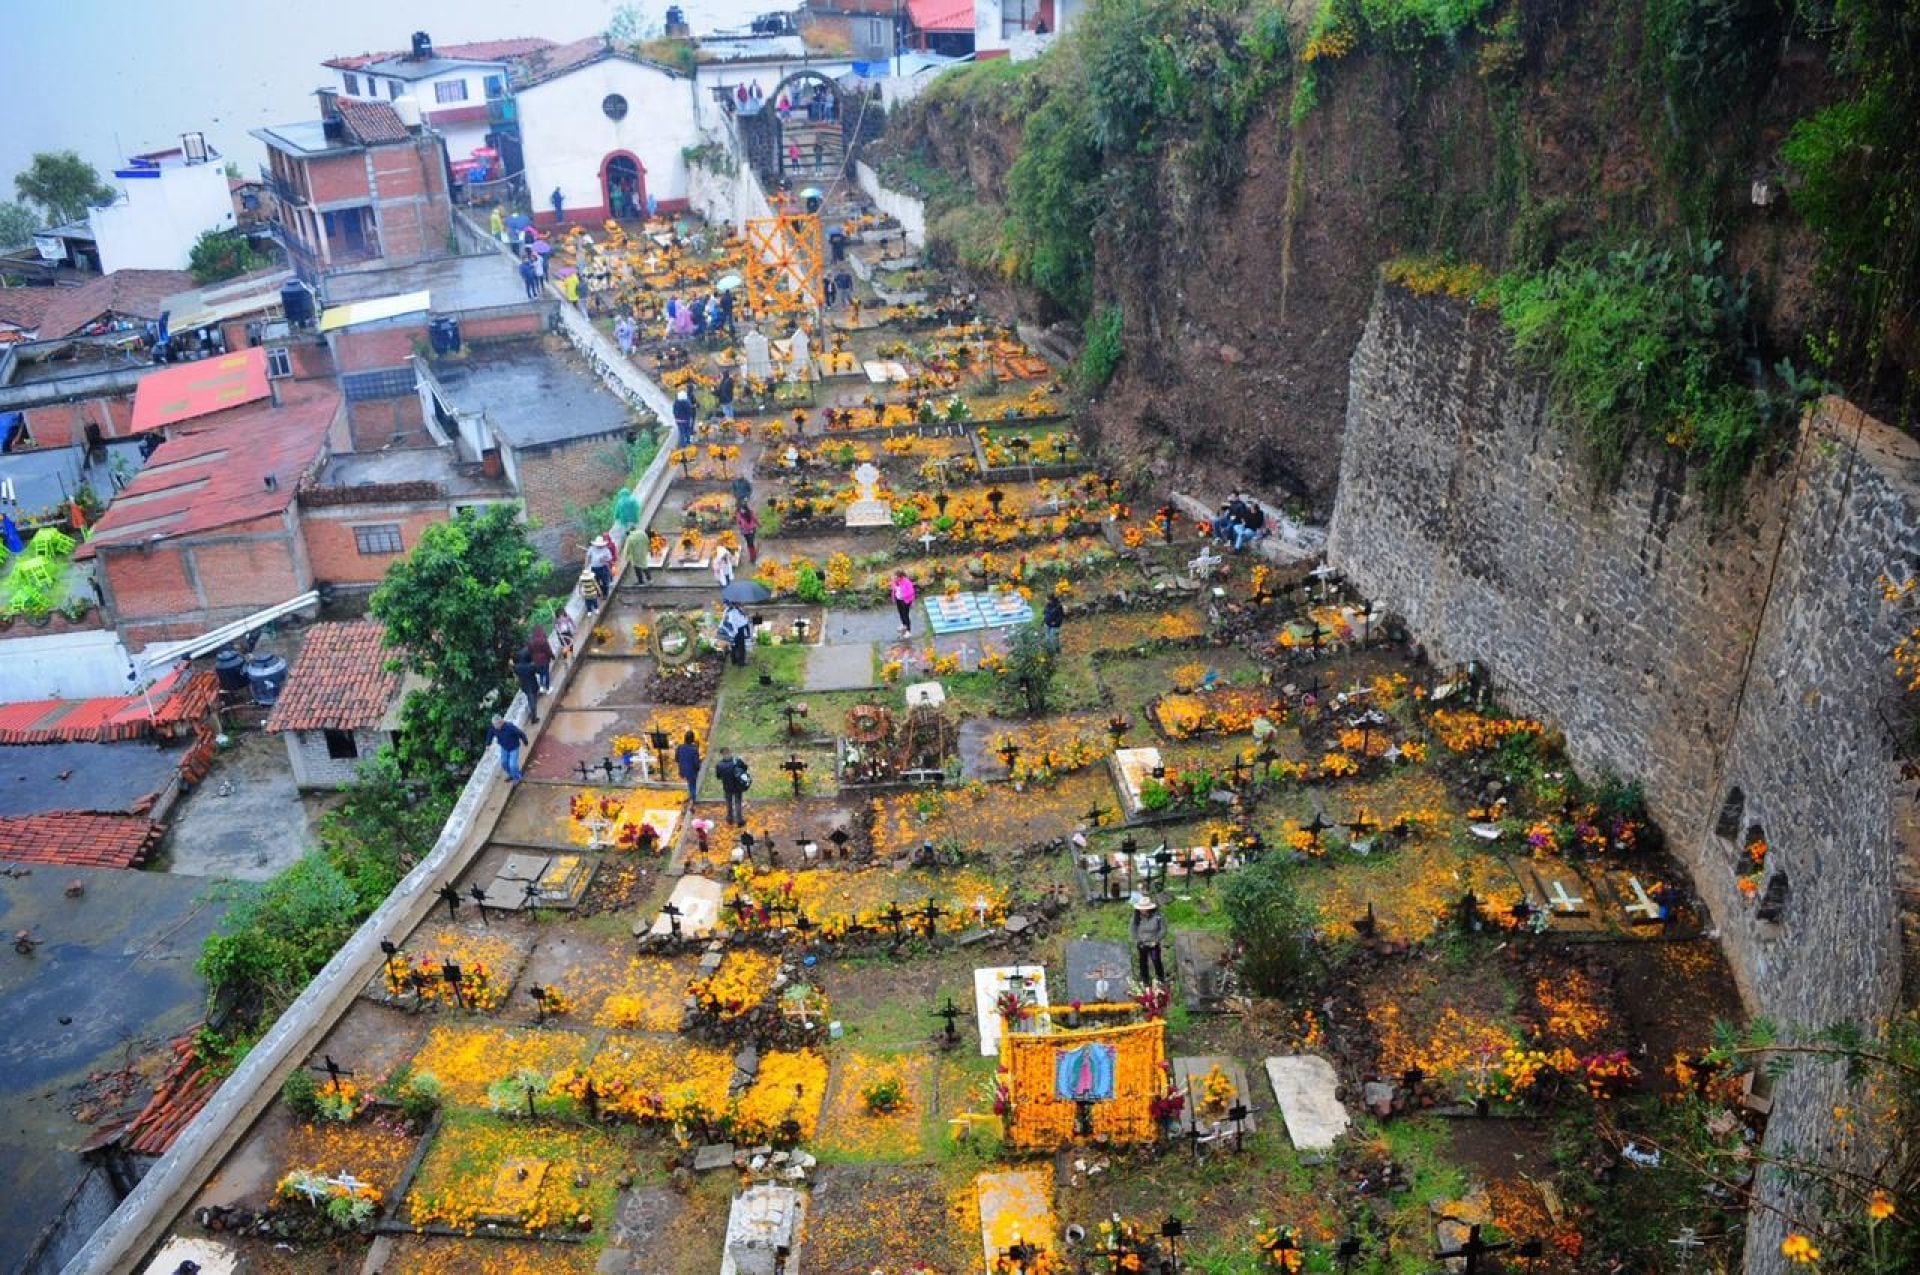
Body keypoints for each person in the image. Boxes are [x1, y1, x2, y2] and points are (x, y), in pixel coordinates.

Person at [1130, 893, 1167, 984]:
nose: (1143, 910)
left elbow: (1163, 929)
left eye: (1145, 908)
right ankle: (1145, 979)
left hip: (1154, 944)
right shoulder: (1136, 917)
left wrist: (1156, 940)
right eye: (1141, 908)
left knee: (1156, 960)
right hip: (1142, 944)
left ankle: (1160, 978)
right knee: (1143, 962)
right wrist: (1138, 940)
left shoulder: (1158, 916)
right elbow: (1132, 929)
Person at [488, 713, 529, 783]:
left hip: (514, 748)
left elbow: (520, 733)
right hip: (504, 747)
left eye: (496, 724)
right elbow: (490, 734)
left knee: (512, 765)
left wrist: (525, 741)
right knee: (504, 763)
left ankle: (517, 778)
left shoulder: (509, 727)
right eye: (493, 724)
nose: (494, 726)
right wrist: (487, 744)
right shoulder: (494, 728)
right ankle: (512, 775)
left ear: (501, 722)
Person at [715, 747, 750, 825]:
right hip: (738, 786)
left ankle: (730, 819)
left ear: (722, 755)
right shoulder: (737, 761)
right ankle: (739, 820)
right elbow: (745, 768)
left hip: (727, 787)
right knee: (738, 802)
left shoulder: (719, 765)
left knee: (729, 803)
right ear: (730, 753)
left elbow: (718, 777)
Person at [512, 646, 542, 722]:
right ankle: (533, 717)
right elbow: (539, 671)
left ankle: (533, 714)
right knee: (533, 701)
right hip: (532, 685)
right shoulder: (530, 666)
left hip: (524, 686)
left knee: (530, 699)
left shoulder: (516, 667)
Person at [719, 601, 753, 667]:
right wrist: (745, 617)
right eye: (738, 603)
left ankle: (734, 661)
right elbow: (741, 622)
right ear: (735, 603)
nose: (740, 603)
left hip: (732, 631)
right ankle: (741, 663)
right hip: (737, 630)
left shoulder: (727, 610)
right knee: (741, 647)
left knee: (733, 646)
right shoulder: (734, 611)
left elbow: (724, 620)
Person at [674, 730, 702, 802]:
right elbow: (696, 762)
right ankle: (693, 799)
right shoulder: (694, 749)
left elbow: (676, 759)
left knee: (690, 783)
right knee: (693, 784)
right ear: (692, 739)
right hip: (692, 771)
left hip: (683, 770)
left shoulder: (680, 747)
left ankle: (691, 796)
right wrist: (698, 767)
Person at [891, 569, 917, 638]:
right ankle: (903, 625)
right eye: (894, 577)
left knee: (906, 615)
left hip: (906, 601)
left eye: (896, 577)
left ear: (900, 577)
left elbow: (911, 592)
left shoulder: (907, 582)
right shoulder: (895, 581)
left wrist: (903, 596)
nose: (894, 578)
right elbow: (894, 590)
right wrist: (894, 597)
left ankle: (908, 631)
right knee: (901, 613)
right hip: (898, 600)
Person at [587, 535, 615, 600]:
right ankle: (599, 593)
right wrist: (586, 566)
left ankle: (605, 594)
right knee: (595, 582)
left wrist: (604, 560)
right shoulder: (592, 548)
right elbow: (588, 556)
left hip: (603, 568)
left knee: (605, 582)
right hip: (594, 568)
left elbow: (610, 559)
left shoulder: (606, 550)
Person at [528, 623, 554, 690]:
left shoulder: (531, 641)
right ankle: (548, 688)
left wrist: (533, 659)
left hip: (536, 661)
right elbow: (548, 650)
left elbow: (530, 652)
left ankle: (542, 686)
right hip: (544, 660)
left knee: (542, 673)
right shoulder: (543, 639)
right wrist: (552, 656)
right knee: (546, 673)